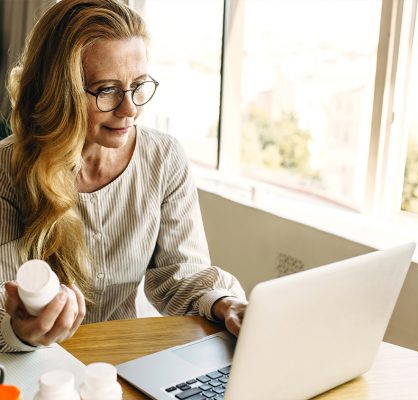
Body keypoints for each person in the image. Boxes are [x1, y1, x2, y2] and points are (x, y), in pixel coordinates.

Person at [0, 0, 247, 352]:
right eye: (106, 90)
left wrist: (224, 303)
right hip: (40, 364)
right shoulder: (7, 170)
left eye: (139, 85)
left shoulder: (164, 157)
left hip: (131, 354)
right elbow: (1, 302)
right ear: (60, 91)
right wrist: (24, 331)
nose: (130, 109)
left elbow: (181, 276)